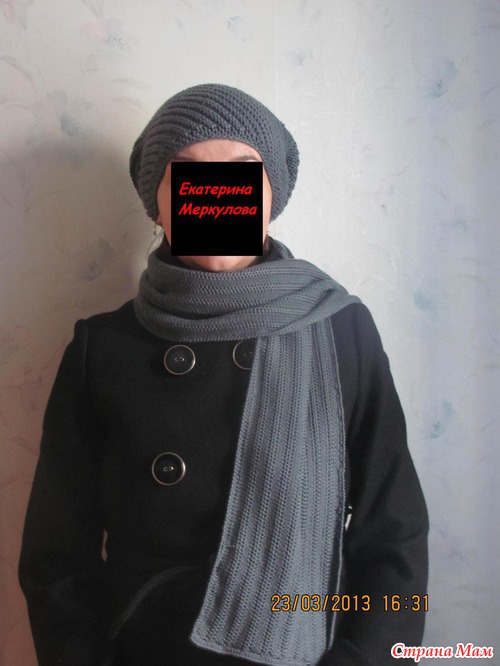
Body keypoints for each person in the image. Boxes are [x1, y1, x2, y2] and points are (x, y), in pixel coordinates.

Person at [18, 83, 429, 666]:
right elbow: (57, 558)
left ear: (270, 193)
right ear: (157, 203)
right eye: (189, 173)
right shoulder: (102, 349)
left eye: (241, 171)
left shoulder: (342, 331)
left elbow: (393, 533)